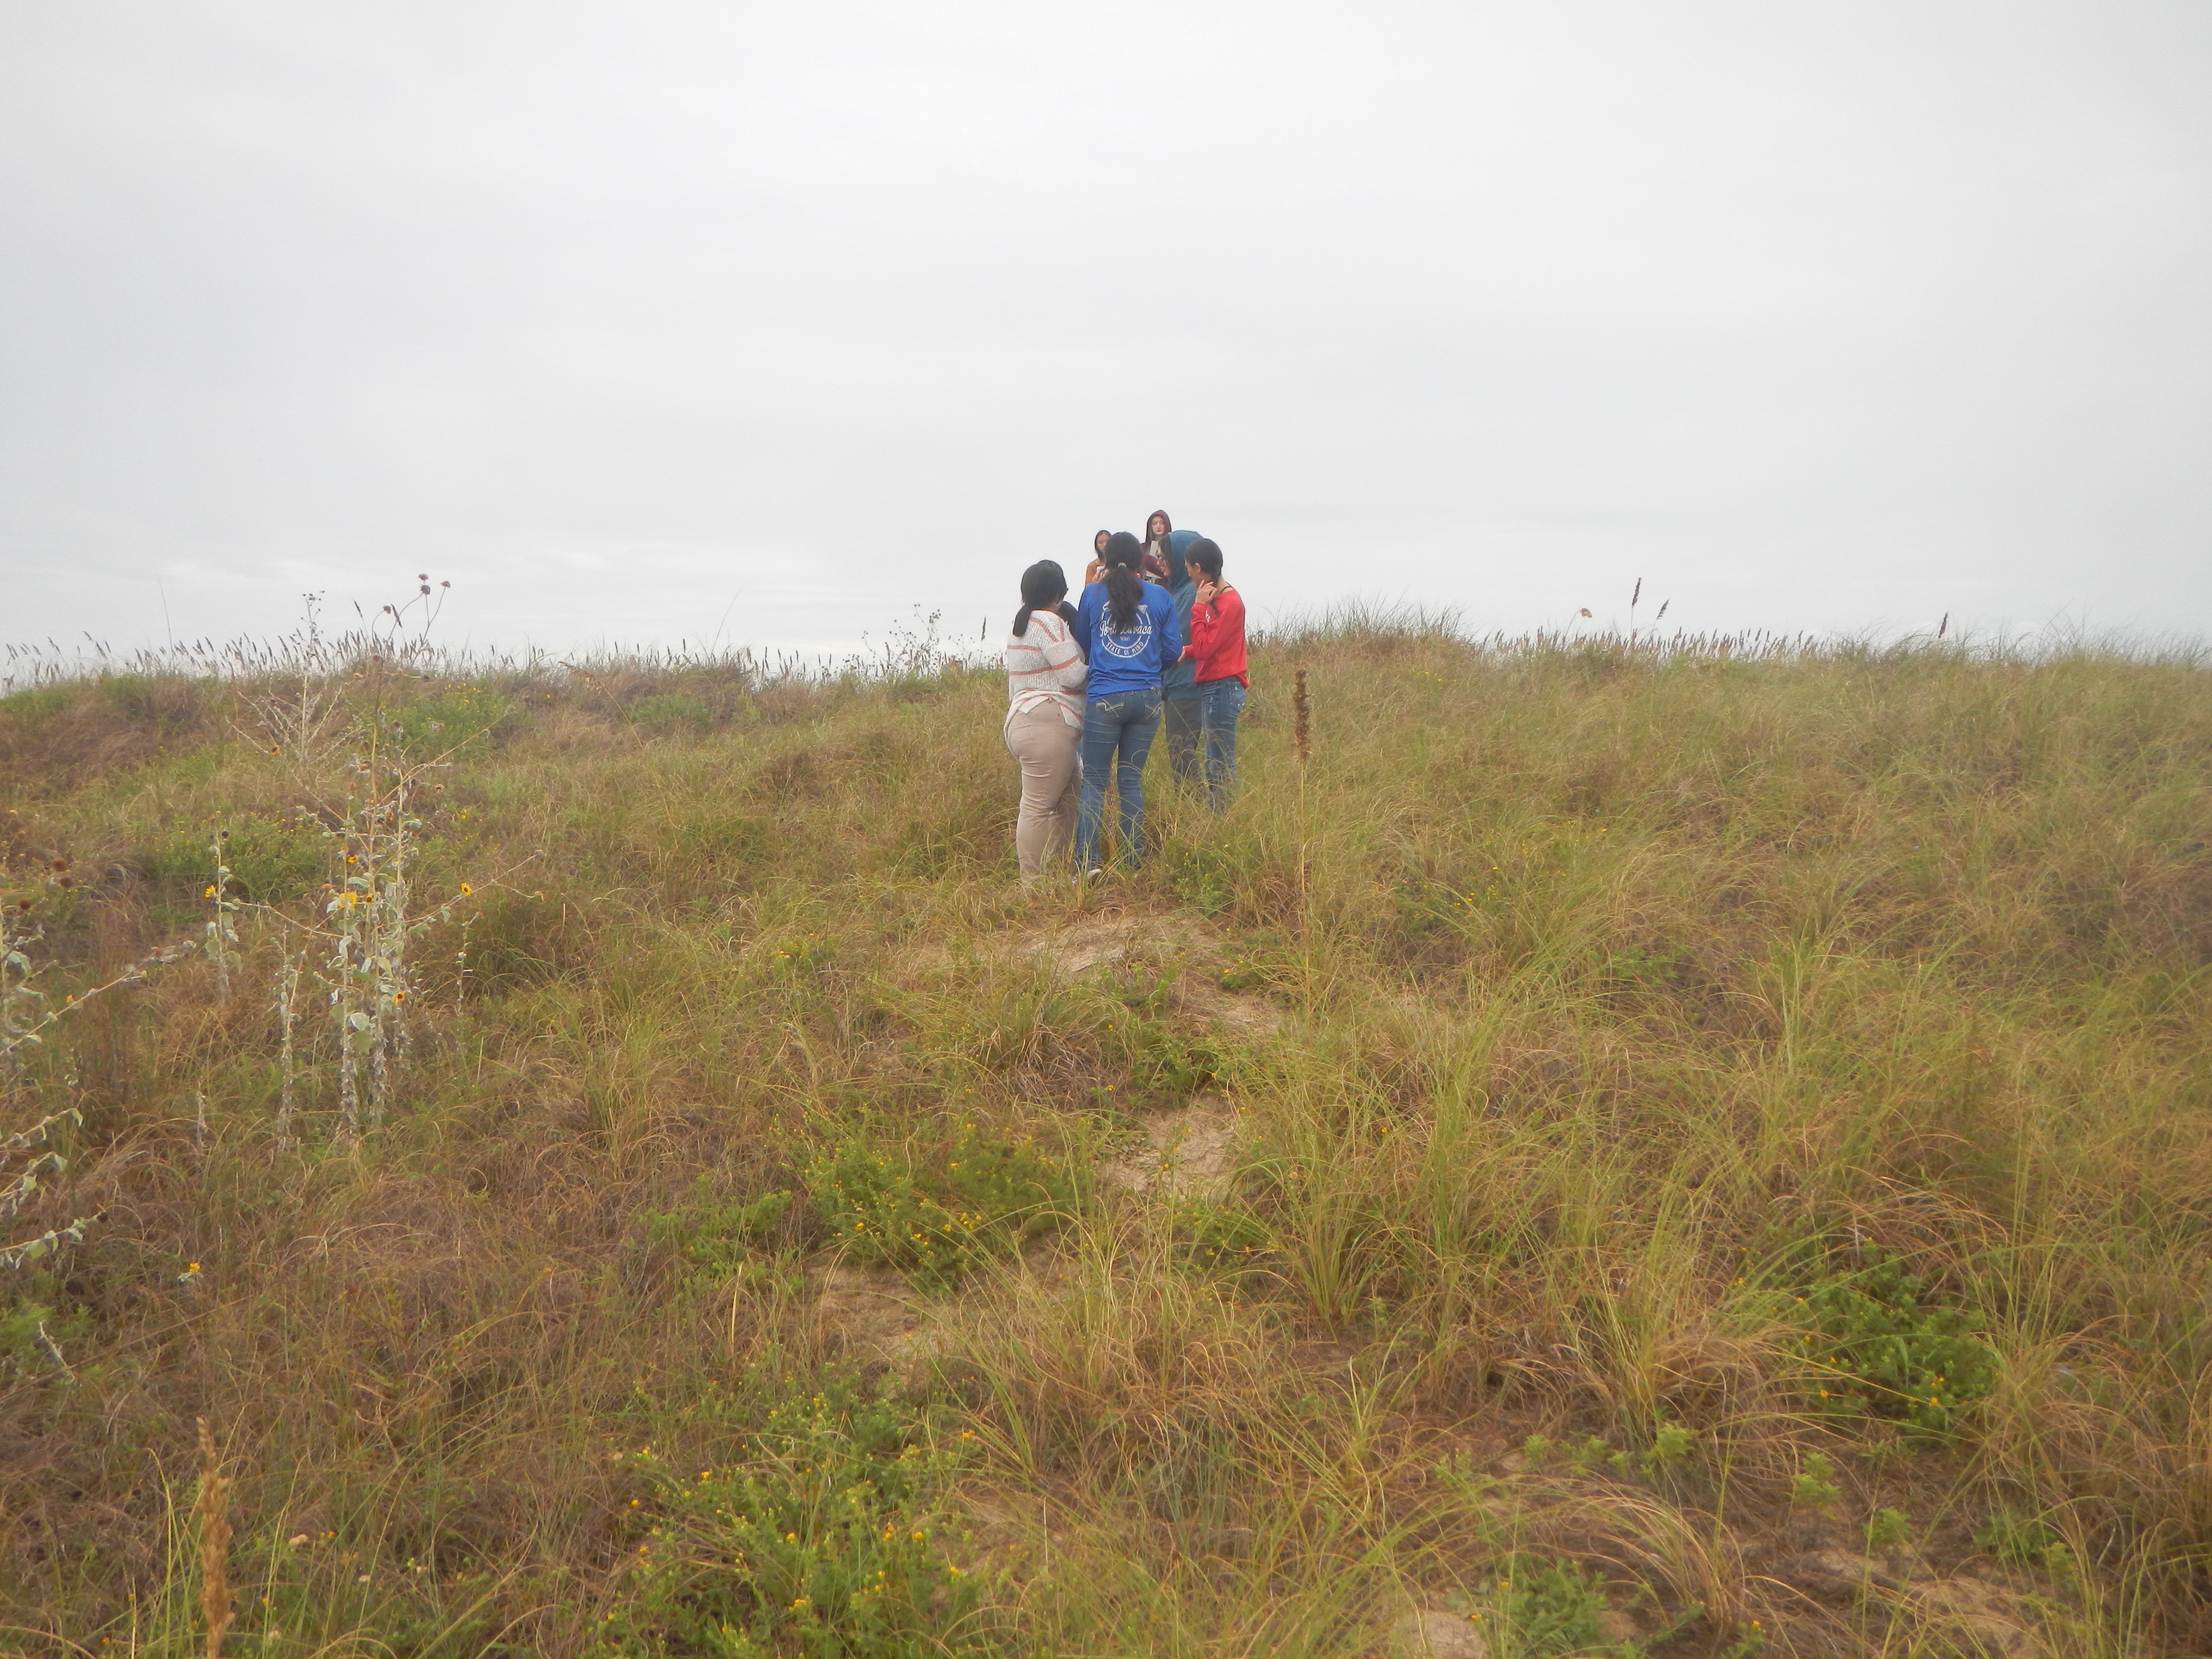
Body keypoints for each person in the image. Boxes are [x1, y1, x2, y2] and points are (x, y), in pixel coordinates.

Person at [1072, 531, 1182, 875]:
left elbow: (1084, 645)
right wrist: (1151, 669)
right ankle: (1132, 863)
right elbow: (1173, 651)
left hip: (1105, 697)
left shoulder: (1092, 594)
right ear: (1140, 561)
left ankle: (1089, 863)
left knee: (1094, 781)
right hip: (1148, 699)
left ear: (1104, 561)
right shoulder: (1161, 597)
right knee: (1131, 782)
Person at [1002, 560, 1086, 884]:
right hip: (1049, 722)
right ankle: (1034, 883)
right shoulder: (1050, 622)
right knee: (1038, 807)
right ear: (1058, 594)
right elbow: (1073, 675)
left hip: (1025, 721)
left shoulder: (1020, 625)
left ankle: (1057, 874)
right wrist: (1103, 668)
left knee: (1069, 798)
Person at [1180, 537, 1249, 811]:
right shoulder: (1218, 598)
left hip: (1222, 686)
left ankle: (1222, 817)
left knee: (1218, 762)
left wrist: (1197, 608)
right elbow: (1209, 645)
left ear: (1198, 567)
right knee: (1215, 758)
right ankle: (1220, 814)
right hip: (1217, 686)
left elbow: (1206, 647)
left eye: (1189, 569)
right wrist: (1187, 651)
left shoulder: (1228, 603)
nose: (1188, 574)